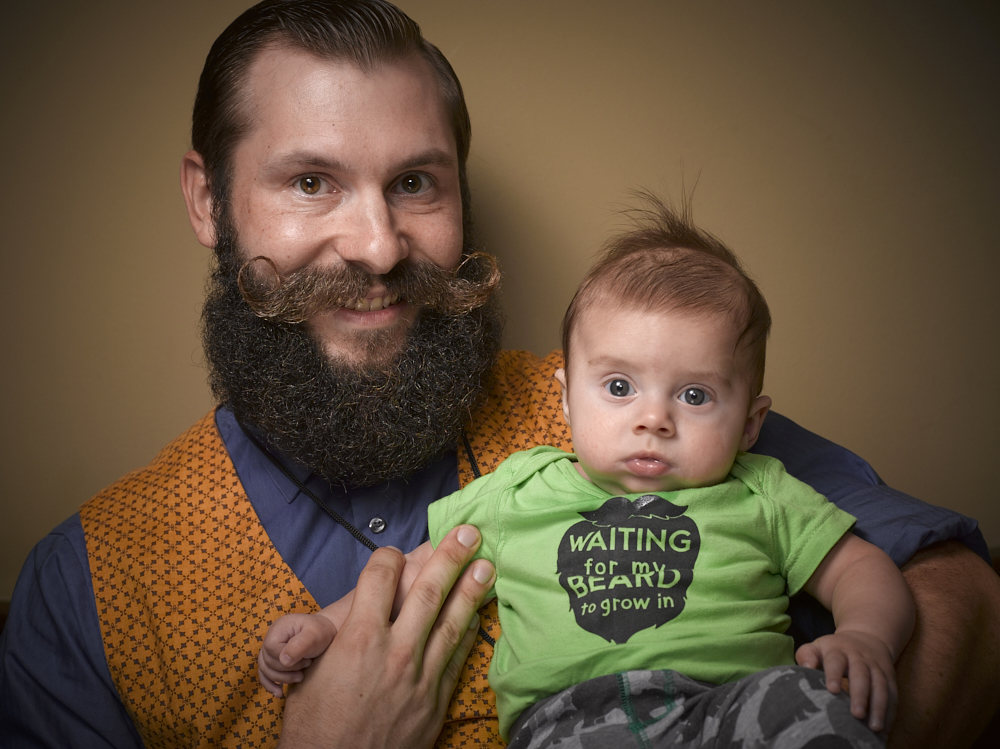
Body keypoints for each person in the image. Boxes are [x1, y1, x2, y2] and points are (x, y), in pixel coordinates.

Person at [0, 1, 996, 748]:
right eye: (311, 181)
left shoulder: (627, 406)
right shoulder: (84, 585)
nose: (381, 247)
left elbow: (965, 598)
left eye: (415, 183)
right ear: (207, 200)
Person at [257, 201, 915, 747]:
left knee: (815, 714)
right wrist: (327, 626)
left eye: (694, 395)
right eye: (621, 385)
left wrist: (865, 635)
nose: (653, 419)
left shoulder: (761, 488)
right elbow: (420, 567)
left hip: (733, 703)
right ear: (568, 398)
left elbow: (860, 568)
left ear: (750, 421)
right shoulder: (523, 488)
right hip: (569, 717)